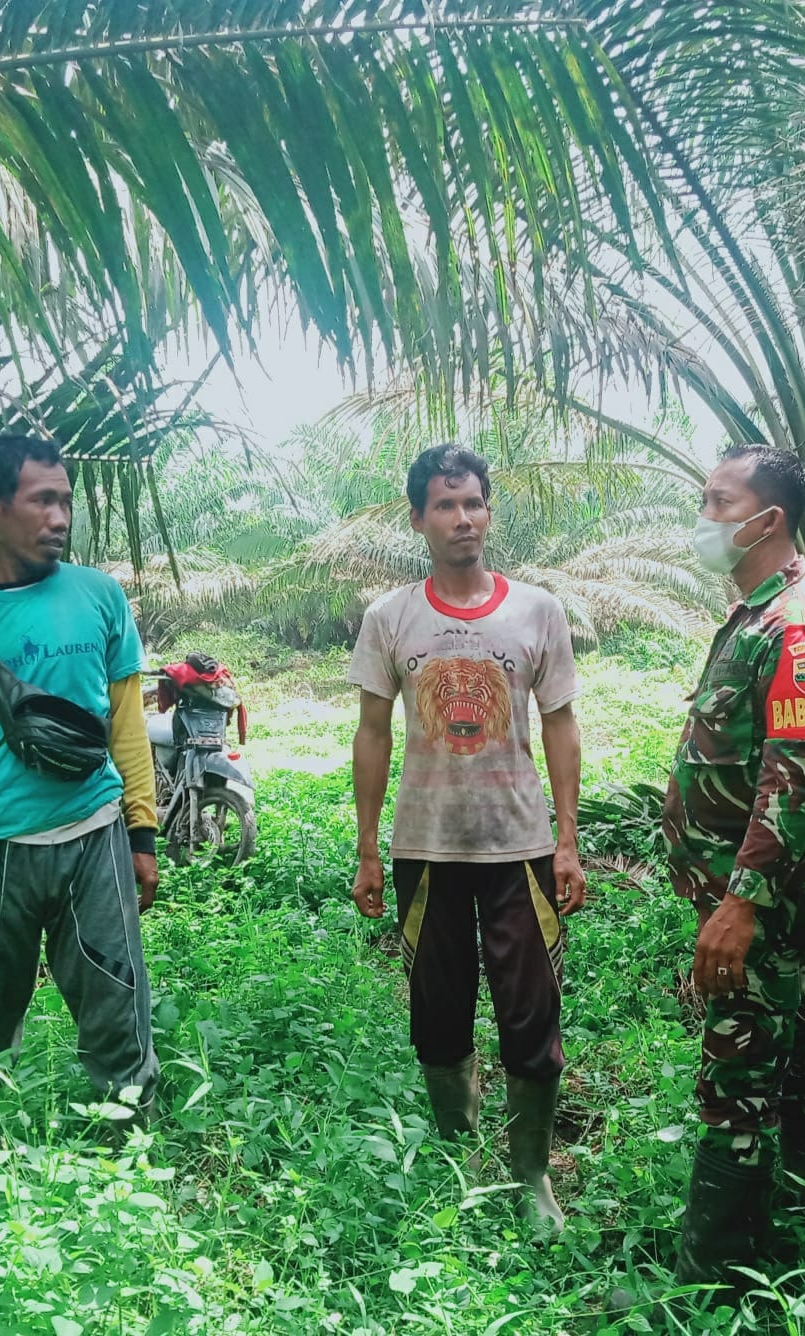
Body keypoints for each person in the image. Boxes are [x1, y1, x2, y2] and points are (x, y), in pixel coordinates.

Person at [347, 444, 586, 1229]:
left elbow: (559, 724)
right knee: (438, 1011)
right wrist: (369, 847)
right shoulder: (391, 617)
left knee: (530, 1010)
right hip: (426, 847)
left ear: (490, 512)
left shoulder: (536, 611)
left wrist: (568, 840)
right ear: (418, 519)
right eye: (445, 506)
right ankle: (456, 1155)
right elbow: (372, 734)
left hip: (518, 846)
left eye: (474, 503)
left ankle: (530, 1178)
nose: (463, 519)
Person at [0, 434, 161, 1118]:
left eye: (65, 500)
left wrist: (143, 833)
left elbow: (126, 725)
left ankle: (126, 1147)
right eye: (42, 500)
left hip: (96, 836)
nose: (60, 517)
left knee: (117, 1004)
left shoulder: (101, 597)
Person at [662, 444, 805, 1292]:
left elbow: (795, 780)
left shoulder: (800, 630)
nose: (704, 517)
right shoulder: (753, 616)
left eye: (717, 501)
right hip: (749, 897)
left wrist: (739, 905)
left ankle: (715, 1275)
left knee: (736, 1075)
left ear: (766, 519)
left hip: (760, 904)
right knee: (797, 1048)